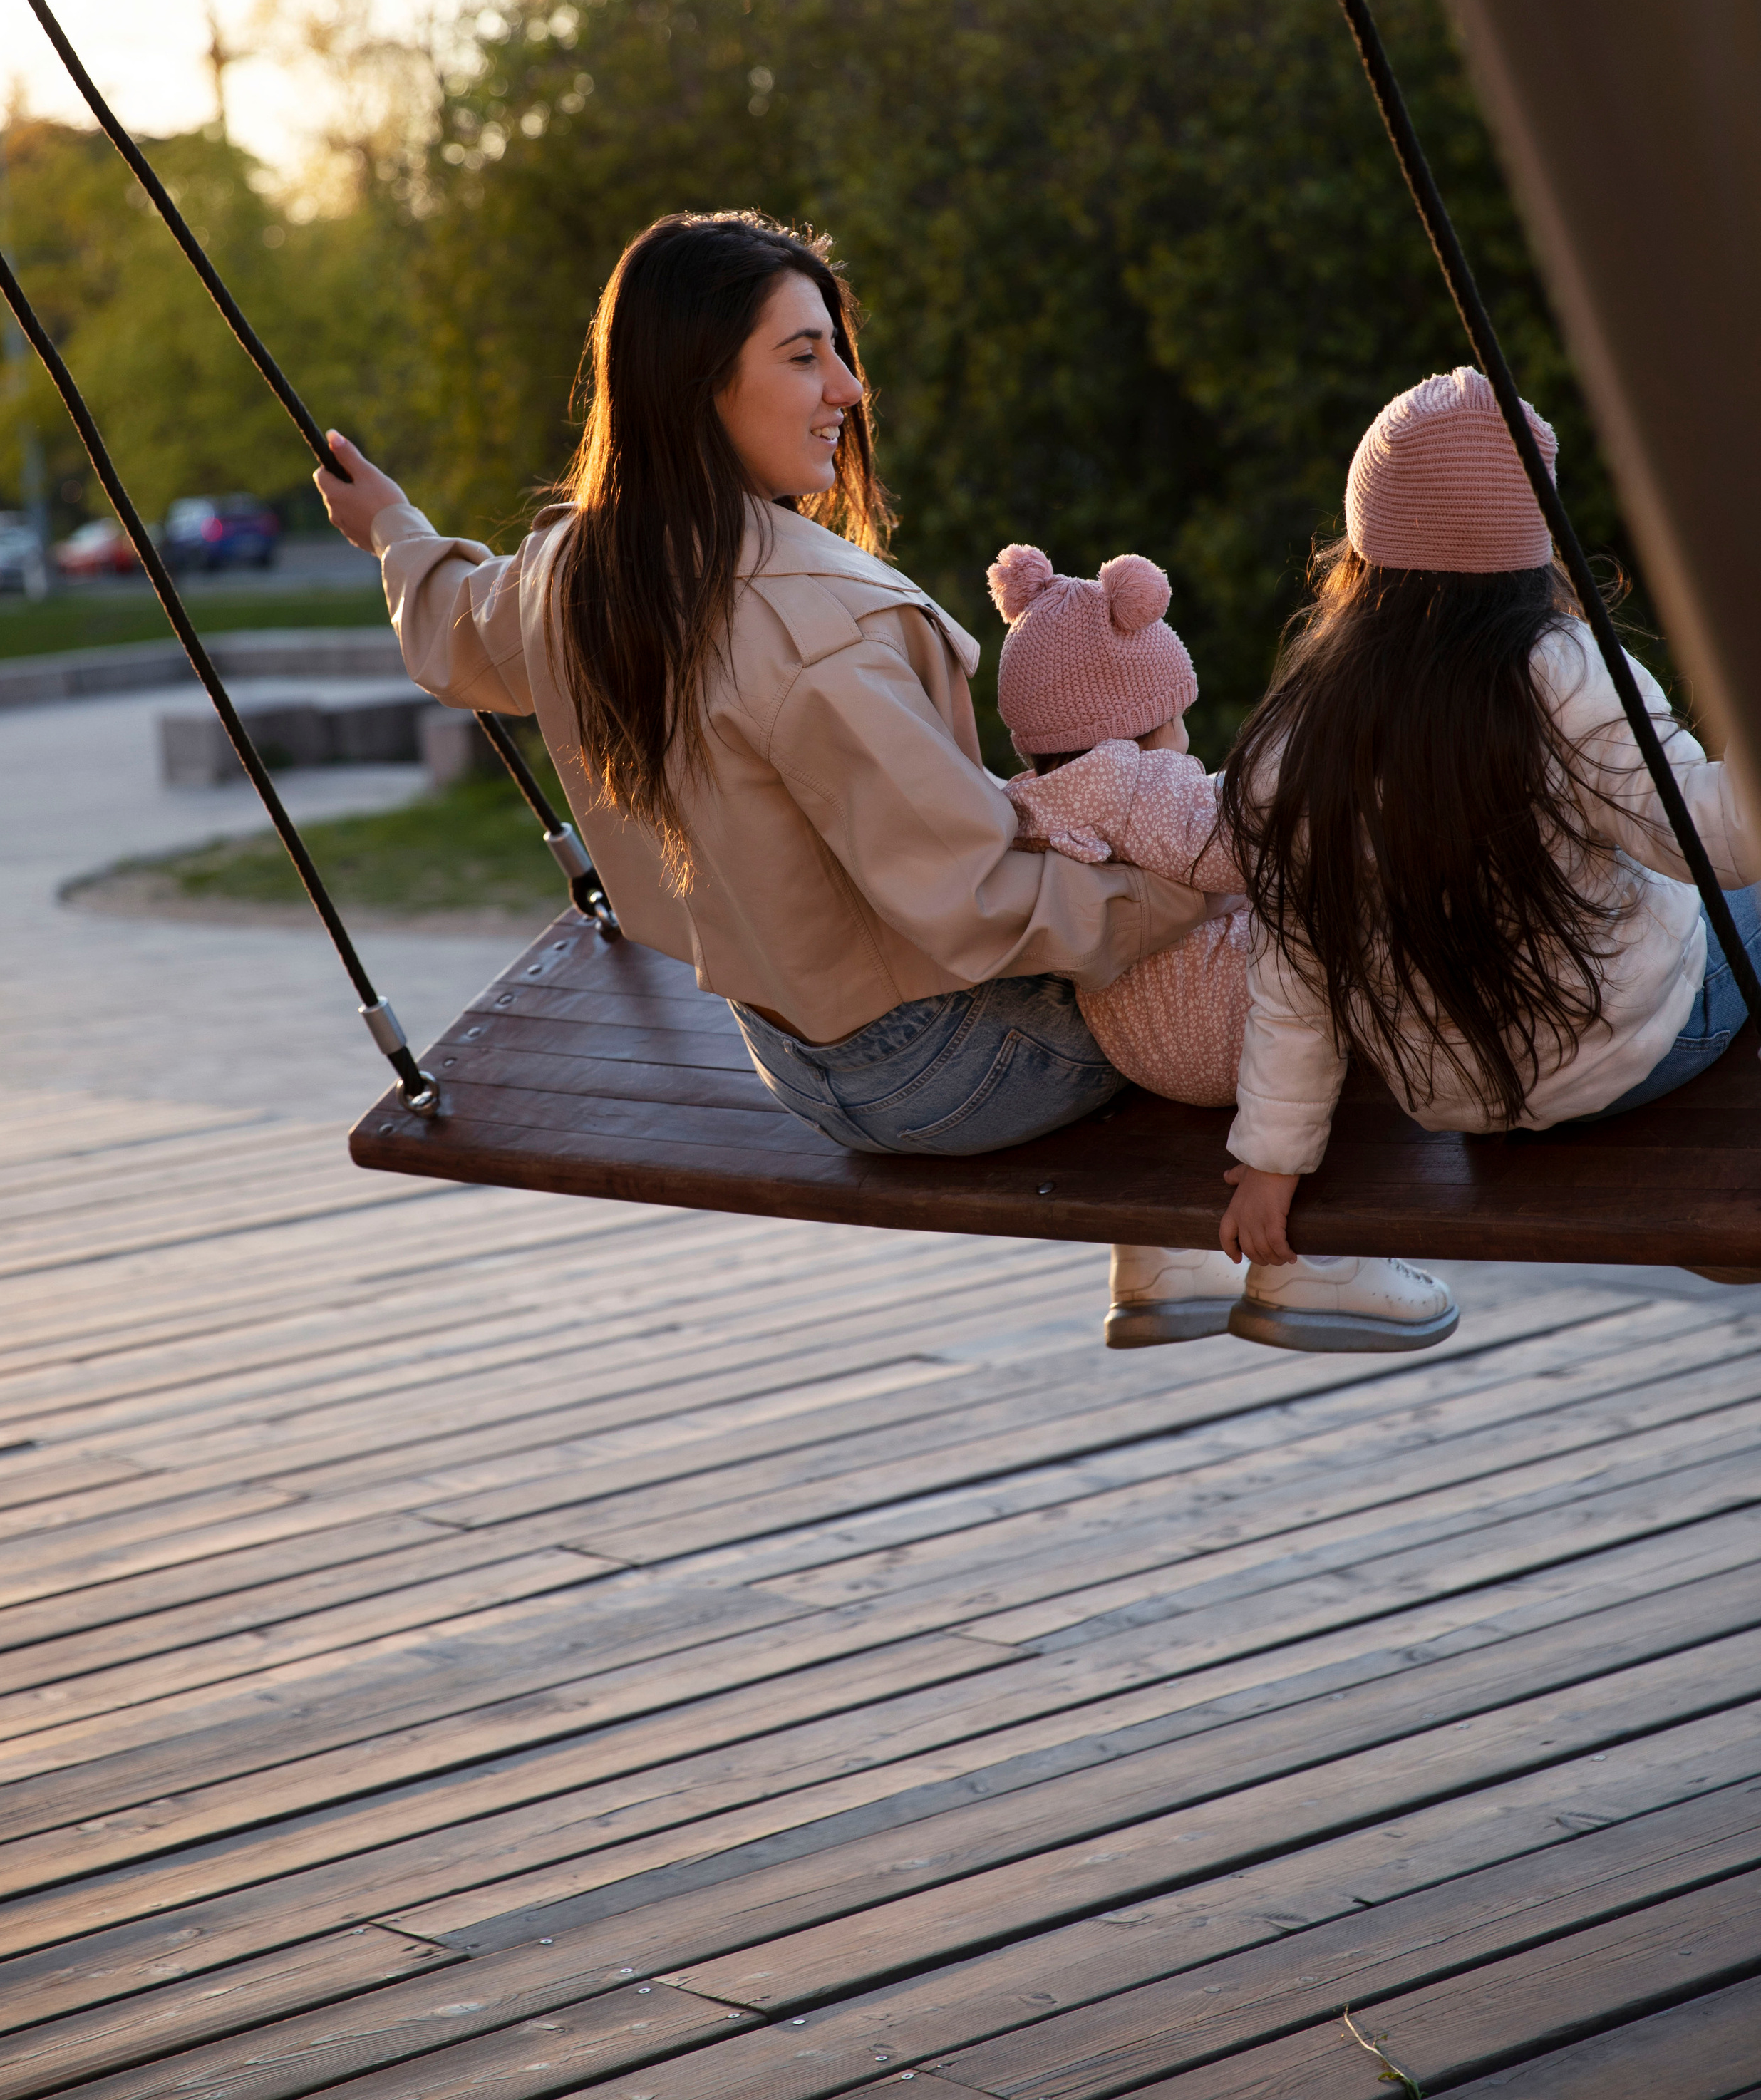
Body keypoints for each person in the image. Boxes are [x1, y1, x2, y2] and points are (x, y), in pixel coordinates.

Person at [314, 210, 1211, 1164]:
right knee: (1272, 956)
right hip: (947, 1067)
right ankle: (1297, 1269)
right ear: (697, 385)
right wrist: (1192, 892)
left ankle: (1168, 1263)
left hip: (794, 1058)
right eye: (802, 356)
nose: (848, 389)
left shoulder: (578, 568)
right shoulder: (812, 627)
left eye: (837, 352)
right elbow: (978, 899)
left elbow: (454, 626)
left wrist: (392, 530)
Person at [1217, 367, 1760, 1351]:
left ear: (1364, 545)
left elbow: (1293, 972)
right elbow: (1721, 845)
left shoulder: (1300, 732)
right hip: (1635, 1049)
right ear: (1530, 543)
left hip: (1463, 1101)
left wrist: (1271, 1159)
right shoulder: (1561, 670)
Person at [991, 540, 1441, 1352]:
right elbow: (1254, 854)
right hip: (1220, 1027)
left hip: (1135, 1042)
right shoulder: (1142, 783)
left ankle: (1160, 1262)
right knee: (1347, 950)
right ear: (1147, 715)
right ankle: (1330, 1260)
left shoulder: (1032, 805)